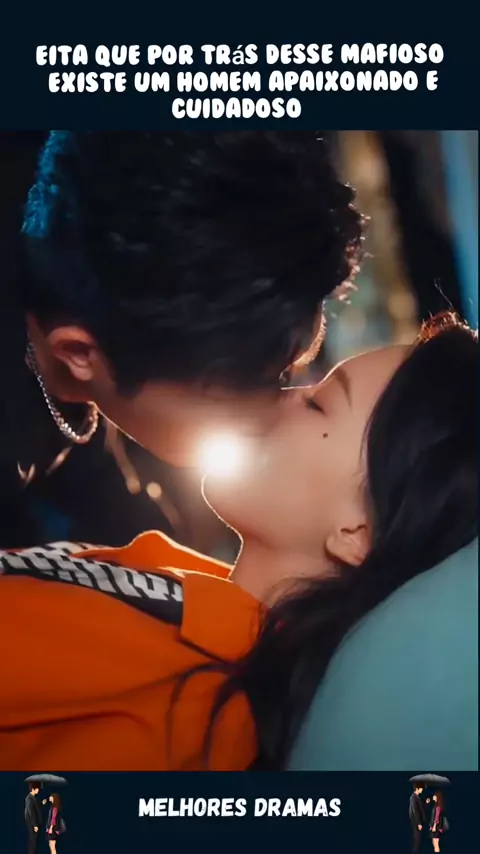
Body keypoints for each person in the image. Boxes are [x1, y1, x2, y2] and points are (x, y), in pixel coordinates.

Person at [0, 313, 476, 770]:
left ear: (356, 533)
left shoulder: (194, 720)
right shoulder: (190, 590)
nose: (276, 396)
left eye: (317, 404)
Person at [0, 130, 363, 549]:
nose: (268, 423)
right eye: (227, 401)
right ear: (79, 353)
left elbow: (99, 485)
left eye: (282, 375)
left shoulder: (83, 234)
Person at [24, 784, 42, 854]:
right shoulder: (29, 798)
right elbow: (30, 812)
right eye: (37, 788)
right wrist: (34, 825)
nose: (38, 790)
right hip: (32, 824)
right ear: (33, 789)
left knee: (34, 842)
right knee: (33, 842)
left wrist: (41, 804)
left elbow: (35, 808)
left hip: (34, 823)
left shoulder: (33, 798)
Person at [410, 785, 427, 852]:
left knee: (418, 841)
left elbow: (420, 808)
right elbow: (415, 811)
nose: (422, 790)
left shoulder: (417, 797)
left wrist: (425, 803)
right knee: (417, 841)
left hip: (418, 822)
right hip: (416, 823)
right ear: (417, 789)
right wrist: (419, 823)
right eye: (421, 788)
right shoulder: (413, 797)